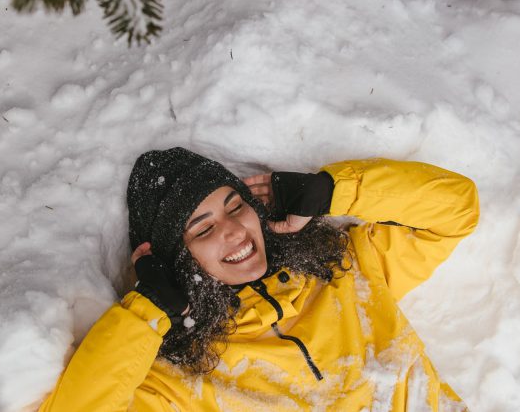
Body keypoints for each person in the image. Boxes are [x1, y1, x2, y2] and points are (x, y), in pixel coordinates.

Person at [38, 147, 479, 412]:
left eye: (236, 207)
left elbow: (456, 209)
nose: (233, 231)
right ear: (176, 261)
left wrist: (333, 191)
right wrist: (147, 310)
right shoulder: (183, 378)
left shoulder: (346, 268)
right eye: (203, 228)